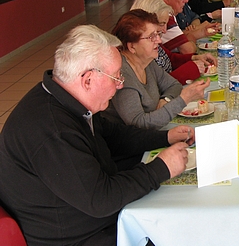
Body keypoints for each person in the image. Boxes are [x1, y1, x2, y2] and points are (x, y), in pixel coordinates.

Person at [0, 25, 195, 246]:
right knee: (176, 231)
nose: (121, 85)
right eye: (116, 77)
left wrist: (165, 137)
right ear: (88, 80)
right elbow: (100, 199)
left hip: (85, 210)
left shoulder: (64, 97)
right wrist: (161, 167)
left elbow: (114, 135)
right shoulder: (53, 130)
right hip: (74, 235)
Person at [104, 9, 210, 130]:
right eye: (151, 37)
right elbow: (139, 124)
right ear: (132, 46)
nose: (159, 41)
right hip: (131, 144)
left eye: (157, 35)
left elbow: (173, 85)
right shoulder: (122, 76)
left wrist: (166, 100)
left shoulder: (146, 62)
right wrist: (183, 99)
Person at [130, 0, 217, 85]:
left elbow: (169, 58)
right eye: (161, 24)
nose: (164, 30)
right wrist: (190, 69)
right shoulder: (140, 48)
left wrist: (194, 57)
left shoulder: (153, 39)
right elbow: (157, 87)